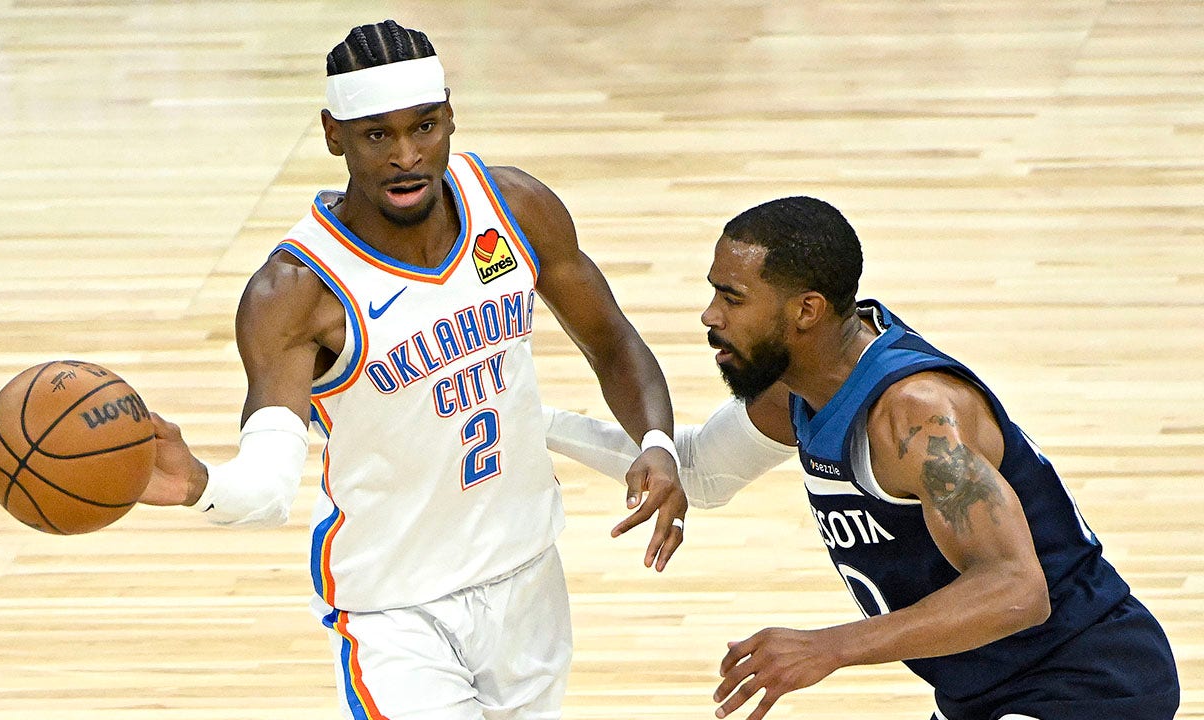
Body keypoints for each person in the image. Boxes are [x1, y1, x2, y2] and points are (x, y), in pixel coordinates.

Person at [137, 19, 689, 720]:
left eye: (424, 127)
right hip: (393, 608)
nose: (406, 156)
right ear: (333, 135)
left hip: (528, 574)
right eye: (377, 136)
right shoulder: (295, 291)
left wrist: (657, 443)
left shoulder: (515, 208)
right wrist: (200, 484)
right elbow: (271, 483)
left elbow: (612, 341)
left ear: (450, 116)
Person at [543, 196, 1179, 720]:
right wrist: (532, 424)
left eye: (733, 298)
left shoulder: (914, 417)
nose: (710, 316)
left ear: (806, 310)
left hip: (1088, 682)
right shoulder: (799, 391)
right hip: (986, 691)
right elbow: (700, 472)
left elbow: (1017, 590)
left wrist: (829, 647)